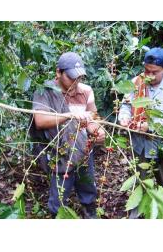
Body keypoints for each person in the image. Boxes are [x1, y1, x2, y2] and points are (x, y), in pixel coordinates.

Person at [31, 52, 105, 219]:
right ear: (58, 72)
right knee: (58, 195)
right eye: (71, 78)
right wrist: (69, 116)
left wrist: (97, 130)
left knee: (88, 189)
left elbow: (94, 117)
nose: (76, 82)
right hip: (60, 152)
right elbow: (40, 120)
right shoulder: (46, 91)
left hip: (83, 150)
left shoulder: (86, 91)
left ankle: (89, 213)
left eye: (79, 78)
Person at [118, 47, 163, 215]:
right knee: (141, 180)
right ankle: (138, 212)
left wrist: (151, 126)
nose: (149, 76)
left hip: (162, 145)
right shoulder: (136, 83)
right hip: (140, 144)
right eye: (147, 71)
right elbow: (125, 104)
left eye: (155, 72)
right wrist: (124, 117)